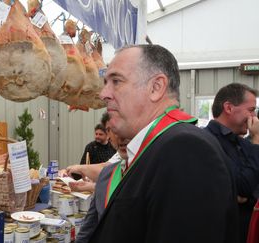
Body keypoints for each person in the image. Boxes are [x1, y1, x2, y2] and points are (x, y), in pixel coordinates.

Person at [91, 44, 238, 243]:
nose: (103, 94)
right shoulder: (161, 147)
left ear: (156, 87)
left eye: (116, 81)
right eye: (105, 82)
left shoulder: (187, 151)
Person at [204, 83, 259, 243]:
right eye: (250, 110)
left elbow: (246, 190)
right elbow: (244, 185)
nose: (254, 117)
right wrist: (256, 140)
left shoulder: (241, 143)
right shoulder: (207, 141)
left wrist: (245, 196)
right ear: (228, 108)